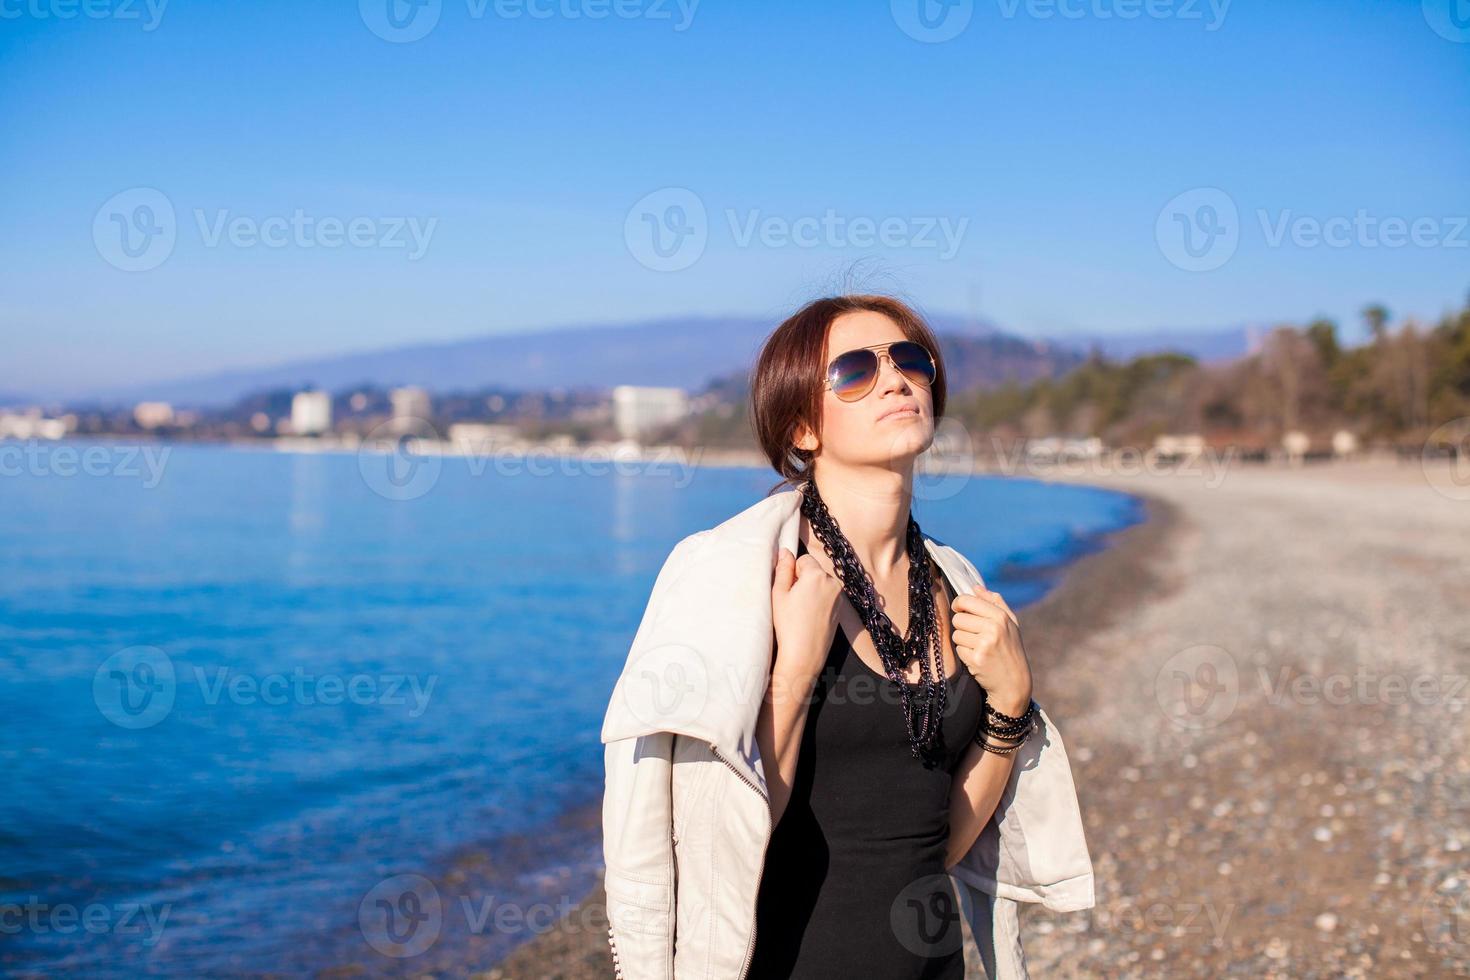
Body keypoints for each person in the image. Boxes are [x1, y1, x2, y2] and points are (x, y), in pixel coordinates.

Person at [747, 294, 1038, 978]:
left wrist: (1012, 702)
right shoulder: (758, 579)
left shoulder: (955, 585)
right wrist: (797, 665)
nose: (896, 380)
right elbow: (730, 819)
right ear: (802, 429)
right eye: (854, 370)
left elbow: (934, 840)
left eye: (910, 360)